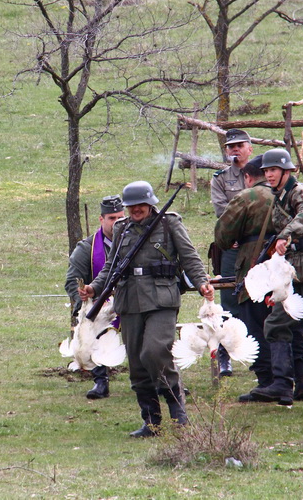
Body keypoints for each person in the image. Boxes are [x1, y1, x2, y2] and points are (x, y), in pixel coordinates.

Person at [79, 181, 215, 437]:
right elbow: (111, 266)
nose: (136, 210)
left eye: (140, 205)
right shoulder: (122, 228)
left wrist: (201, 283)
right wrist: (94, 288)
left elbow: (189, 257)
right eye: (131, 206)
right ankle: (151, 422)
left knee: (154, 351)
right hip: (129, 302)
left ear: (150, 204)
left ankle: (177, 410)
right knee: (137, 363)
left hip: (161, 299)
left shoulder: (169, 223)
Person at [213, 156, 303, 402]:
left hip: (256, 267)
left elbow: (223, 236)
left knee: (257, 323)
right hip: (291, 265)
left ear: (248, 176)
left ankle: (269, 381)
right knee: (290, 322)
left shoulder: (247, 197)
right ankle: (301, 380)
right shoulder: (291, 194)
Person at [250, 150, 303, 405]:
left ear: (286, 171)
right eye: (266, 171)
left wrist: (286, 235)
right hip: (290, 274)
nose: (269, 175)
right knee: (277, 325)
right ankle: (283, 384)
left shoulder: (300, 192)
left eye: (273, 170)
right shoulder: (278, 197)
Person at [64, 195, 125, 399]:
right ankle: (100, 381)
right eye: (111, 218)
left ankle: (162, 380)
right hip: (100, 306)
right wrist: (84, 301)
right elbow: (72, 281)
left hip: (131, 301)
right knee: (93, 325)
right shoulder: (86, 249)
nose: (116, 222)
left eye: (120, 218)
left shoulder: (137, 241)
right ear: (101, 219)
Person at [210, 128, 254, 377]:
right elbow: (222, 211)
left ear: (250, 148)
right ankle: (225, 355)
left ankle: (259, 354)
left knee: (260, 299)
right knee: (228, 301)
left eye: (239, 145)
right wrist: (237, 235)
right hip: (232, 246)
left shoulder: (262, 173)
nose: (235, 149)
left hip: (259, 247)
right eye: (230, 146)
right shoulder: (221, 178)